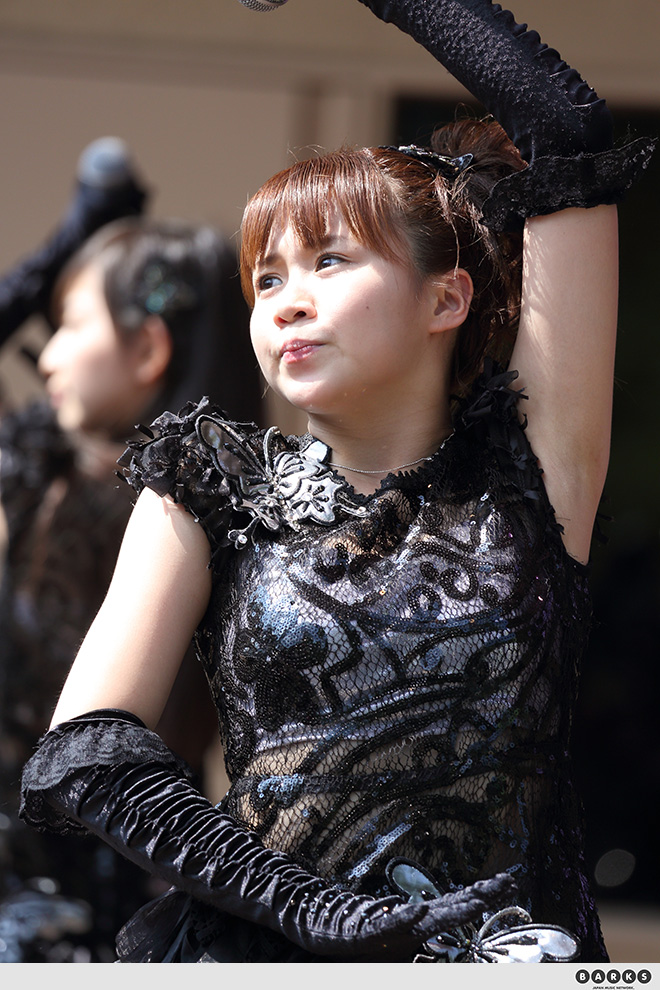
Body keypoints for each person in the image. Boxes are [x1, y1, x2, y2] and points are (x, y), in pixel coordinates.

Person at [19, 0, 654, 965]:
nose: (288, 302)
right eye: (267, 280)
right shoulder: (207, 489)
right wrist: (306, 906)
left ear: (446, 298)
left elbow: (563, 125)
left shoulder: (536, 479)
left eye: (328, 260)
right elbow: (83, 750)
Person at [1, 215, 262, 961]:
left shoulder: (163, 522)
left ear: (148, 348)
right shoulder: (45, 476)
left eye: (69, 323)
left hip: (79, 901)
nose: (47, 355)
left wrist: (67, 237)